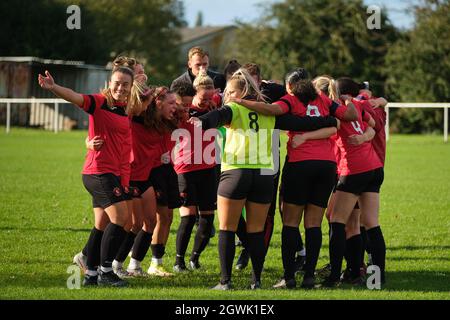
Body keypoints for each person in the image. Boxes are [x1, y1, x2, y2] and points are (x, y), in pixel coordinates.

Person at [190, 68, 340, 290]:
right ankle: (256, 281)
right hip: (263, 176)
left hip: (237, 172)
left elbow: (218, 116)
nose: (227, 95)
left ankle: (225, 281)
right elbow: (301, 124)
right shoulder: (269, 113)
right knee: (256, 231)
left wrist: (201, 121)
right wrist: (327, 121)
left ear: (241, 93)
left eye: (231, 91)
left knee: (227, 228)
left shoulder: (234, 107)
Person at [231, 69, 358, 289]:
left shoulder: (290, 99)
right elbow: (351, 116)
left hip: (300, 164)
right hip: (327, 166)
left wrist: (240, 102)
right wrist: (348, 100)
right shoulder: (324, 100)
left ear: (290, 87)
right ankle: (309, 277)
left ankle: (289, 277)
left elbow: (270, 110)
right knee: (314, 223)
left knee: (290, 222)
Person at [38, 66, 134, 287]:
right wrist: (53, 88)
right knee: (121, 217)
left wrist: (125, 182)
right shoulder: (99, 102)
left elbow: (122, 151)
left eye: (125, 84)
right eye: (117, 83)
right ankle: (106, 271)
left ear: (130, 88)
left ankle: (90, 274)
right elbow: (75, 97)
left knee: (102, 223)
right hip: (97, 171)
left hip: (112, 173)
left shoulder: (124, 111)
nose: (120, 87)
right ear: (110, 83)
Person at [321, 77, 386, 287]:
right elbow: (374, 126)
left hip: (354, 170)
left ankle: (335, 276)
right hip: (374, 168)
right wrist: (365, 138)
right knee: (371, 223)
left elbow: (330, 130)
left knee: (336, 221)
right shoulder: (357, 104)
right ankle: (376, 278)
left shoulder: (336, 110)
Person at [172, 72, 220, 272]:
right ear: (194, 94)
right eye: (203, 97)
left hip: (209, 167)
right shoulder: (184, 109)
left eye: (210, 97)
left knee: (208, 219)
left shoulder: (214, 106)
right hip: (186, 168)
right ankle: (178, 261)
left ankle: (194, 258)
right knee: (189, 216)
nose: (206, 101)